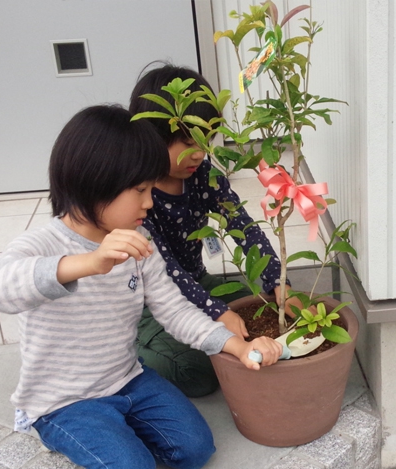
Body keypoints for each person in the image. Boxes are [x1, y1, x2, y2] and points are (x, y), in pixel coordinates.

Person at [0, 105, 282, 469]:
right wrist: (87, 264)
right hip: (63, 401)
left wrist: (234, 346)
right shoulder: (44, 243)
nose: (149, 201)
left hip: (128, 379)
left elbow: (175, 311)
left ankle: (114, 431)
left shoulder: (142, 245)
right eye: (139, 189)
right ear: (95, 183)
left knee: (195, 450)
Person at [129, 63, 301, 398]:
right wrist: (216, 312)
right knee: (196, 372)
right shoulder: (137, 194)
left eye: (206, 139)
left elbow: (243, 227)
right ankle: (131, 351)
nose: (199, 152)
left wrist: (279, 283)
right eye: (186, 141)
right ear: (152, 137)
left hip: (194, 283)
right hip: (147, 305)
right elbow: (166, 270)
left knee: (259, 311)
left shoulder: (203, 175)